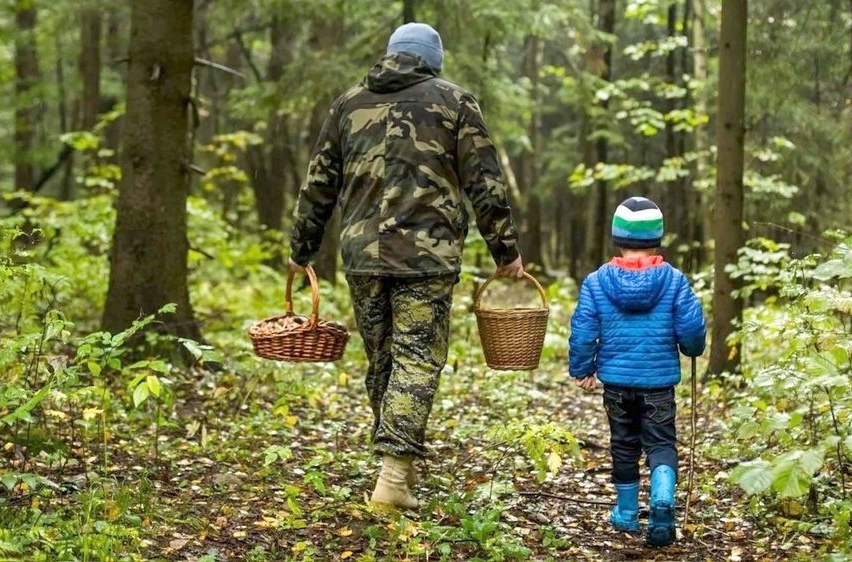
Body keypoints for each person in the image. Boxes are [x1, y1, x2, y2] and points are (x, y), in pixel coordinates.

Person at [288, 22, 523, 511]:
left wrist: (301, 248)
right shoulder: (456, 102)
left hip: (362, 257)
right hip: (427, 258)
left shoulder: (348, 103)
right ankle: (394, 478)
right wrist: (506, 251)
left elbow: (318, 185)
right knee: (415, 359)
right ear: (432, 59)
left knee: (384, 360)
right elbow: (485, 181)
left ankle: (397, 471)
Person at [567, 196, 706, 547]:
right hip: (658, 383)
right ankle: (662, 501)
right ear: (657, 237)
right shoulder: (674, 281)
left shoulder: (597, 281)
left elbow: (584, 329)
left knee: (623, 444)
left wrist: (583, 369)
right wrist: (691, 349)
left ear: (618, 237)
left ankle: (627, 512)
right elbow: (691, 331)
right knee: (661, 443)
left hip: (616, 383)